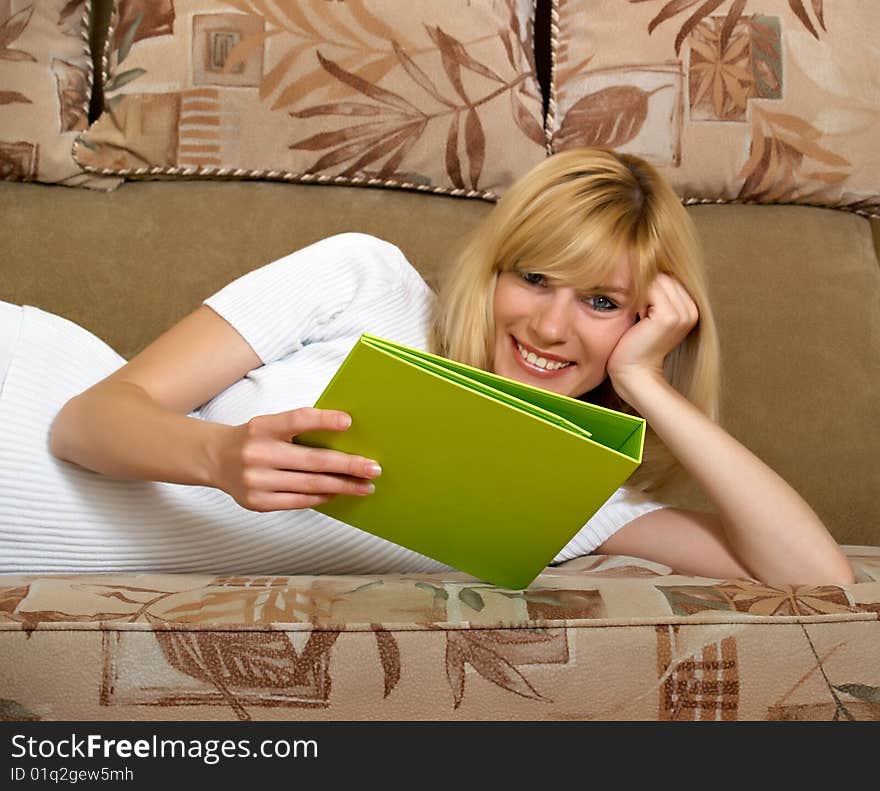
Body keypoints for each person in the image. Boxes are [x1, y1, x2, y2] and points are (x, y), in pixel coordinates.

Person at [0, 148, 854, 585]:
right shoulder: (364, 281)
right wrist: (217, 459)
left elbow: (817, 577)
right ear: (495, 268)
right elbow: (85, 421)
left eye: (601, 302)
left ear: (644, 320)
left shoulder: (563, 496)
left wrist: (644, 384)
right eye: (534, 277)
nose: (551, 326)